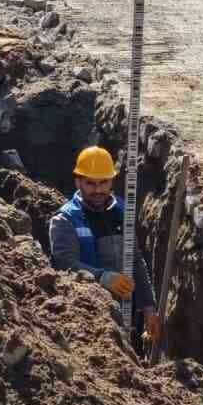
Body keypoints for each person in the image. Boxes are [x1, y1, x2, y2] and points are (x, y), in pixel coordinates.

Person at [48, 146, 161, 342]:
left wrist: (149, 307)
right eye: (90, 183)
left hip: (123, 313)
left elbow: (135, 261)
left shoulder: (122, 212)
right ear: (78, 182)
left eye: (103, 182)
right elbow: (63, 263)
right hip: (86, 319)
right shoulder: (66, 220)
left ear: (112, 181)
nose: (98, 190)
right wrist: (103, 277)